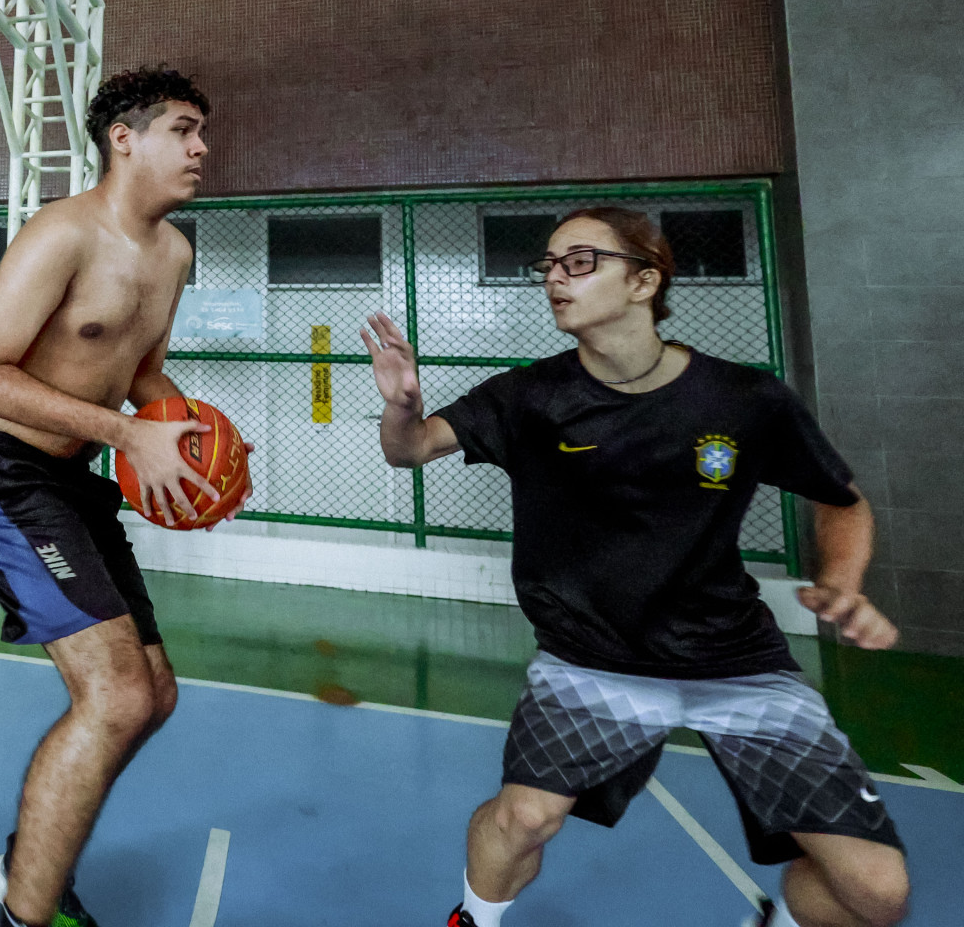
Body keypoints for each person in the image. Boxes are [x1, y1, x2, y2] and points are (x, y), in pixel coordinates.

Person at [361, 206, 909, 927]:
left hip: (736, 661)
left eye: (579, 262)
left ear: (645, 280)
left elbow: (841, 500)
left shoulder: (744, 400)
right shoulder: (528, 396)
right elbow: (410, 449)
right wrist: (402, 407)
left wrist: (842, 583)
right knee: (524, 817)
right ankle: (472, 919)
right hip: (591, 659)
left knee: (876, 892)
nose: (556, 278)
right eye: (548, 266)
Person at [0, 65, 227, 927]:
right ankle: (27, 910)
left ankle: (34, 858)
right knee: (114, 696)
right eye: (183, 129)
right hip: (4, 471)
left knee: (154, 694)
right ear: (124, 138)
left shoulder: (174, 251)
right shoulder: (60, 234)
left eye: (201, 132)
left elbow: (139, 373)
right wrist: (126, 434)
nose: (201, 148)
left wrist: (184, 430)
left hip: (73, 480)